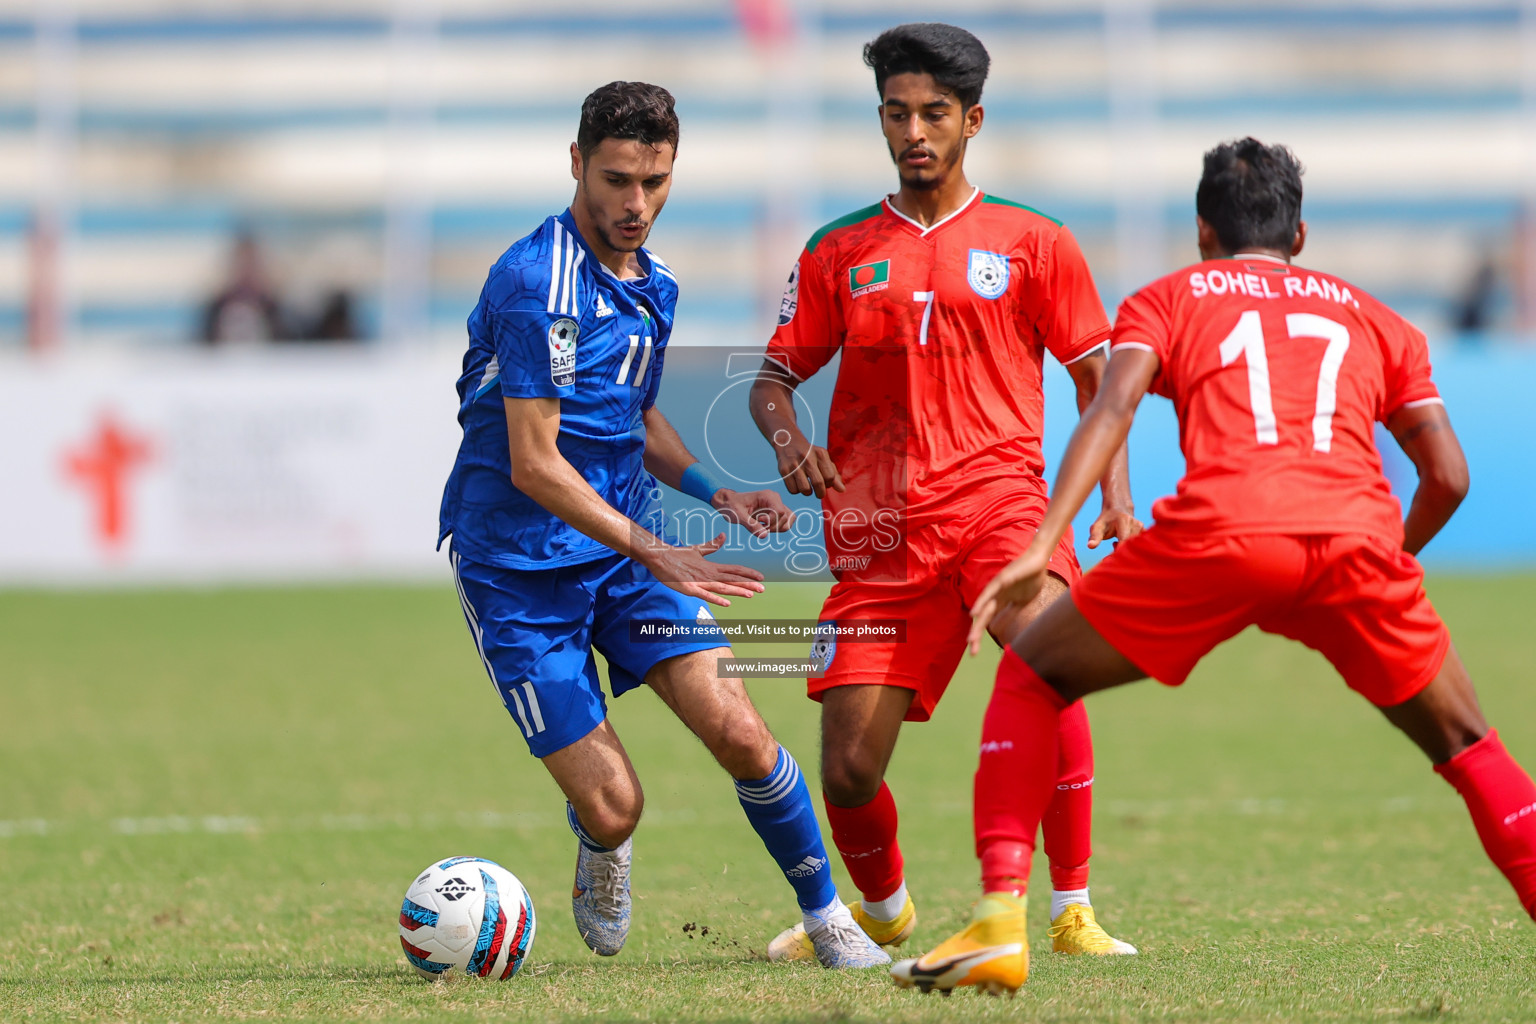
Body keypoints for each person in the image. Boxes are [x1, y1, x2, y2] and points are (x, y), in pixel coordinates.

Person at [893, 137, 1536, 996]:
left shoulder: (1170, 297)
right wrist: (1383, 562)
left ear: (1203, 232)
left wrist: (1045, 542)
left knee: (1036, 675)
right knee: (1469, 745)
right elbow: (1449, 476)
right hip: (1352, 543)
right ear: (1300, 235)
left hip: (1221, 534)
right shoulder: (1376, 319)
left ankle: (1000, 922)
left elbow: (1111, 406)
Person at [436, 81, 890, 969]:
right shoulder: (534, 283)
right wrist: (659, 550)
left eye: (654, 182)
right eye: (615, 180)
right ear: (575, 165)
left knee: (745, 736)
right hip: (520, 571)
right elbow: (536, 461)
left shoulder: (656, 285)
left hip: (629, 554)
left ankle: (831, 918)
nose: (635, 204)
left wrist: (715, 491)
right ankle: (601, 841)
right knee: (616, 807)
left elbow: (634, 419)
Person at [749, 23, 1139, 961]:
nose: (914, 131)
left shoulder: (1034, 241)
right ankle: (882, 915)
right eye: (896, 113)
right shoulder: (839, 248)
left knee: (1049, 655)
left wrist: (1112, 497)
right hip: (880, 537)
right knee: (846, 769)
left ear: (972, 119)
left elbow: (1102, 382)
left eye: (932, 113)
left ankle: (1072, 910)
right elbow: (770, 380)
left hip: (1000, 508)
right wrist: (789, 439)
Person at [199, 232, 289, 344]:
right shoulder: (217, 307)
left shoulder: (273, 308)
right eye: (242, 263)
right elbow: (204, 345)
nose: (247, 271)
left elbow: (286, 346)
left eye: (252, 264)